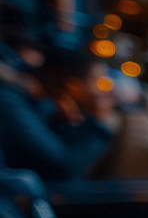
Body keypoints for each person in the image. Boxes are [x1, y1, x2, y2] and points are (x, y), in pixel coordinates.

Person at [0, 44, 113, 182]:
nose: (107, 89)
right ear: (74, 87)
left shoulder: (47, 104)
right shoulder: (10, 100)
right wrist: (97, 122)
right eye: (98, 81)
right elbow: (64, 166)